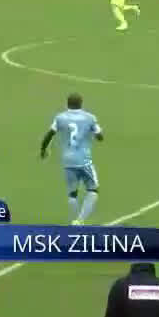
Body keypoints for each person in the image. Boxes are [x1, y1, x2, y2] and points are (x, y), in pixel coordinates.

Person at [39, 93, 103, 225]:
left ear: (67, 104)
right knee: (93, 189)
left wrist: (43, 150)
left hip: (68, 161)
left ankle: (75, 220)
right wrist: (93, 133)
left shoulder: (60, 118)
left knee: (72, 193)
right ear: (81, 103)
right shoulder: (90, 118)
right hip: (84, 160)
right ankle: (80, 220)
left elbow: (49, 135)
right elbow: (100, 136)